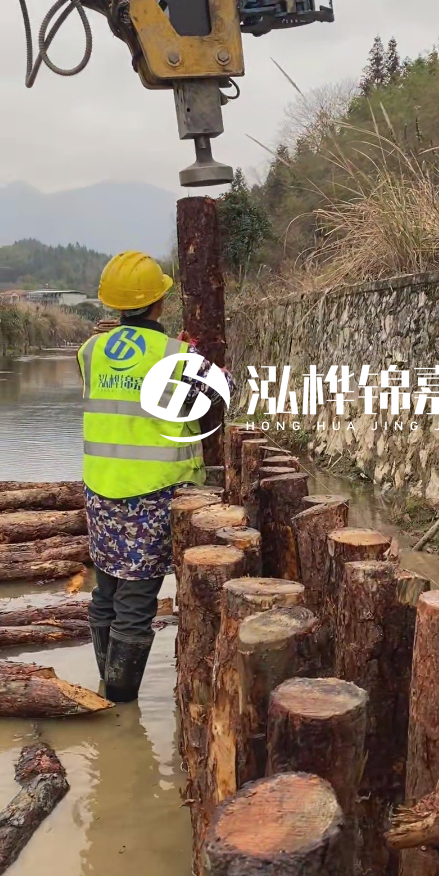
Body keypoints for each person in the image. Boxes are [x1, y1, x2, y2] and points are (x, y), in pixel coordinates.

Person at [78, 251, 234, 703]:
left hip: (101, 489)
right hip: (152, 493)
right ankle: (121, 701)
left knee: (106, 589)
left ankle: (107, 687)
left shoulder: (90, 351)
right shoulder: (176, 354)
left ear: (113, 303)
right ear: (158, 302)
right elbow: (220, 393)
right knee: (137, 600)